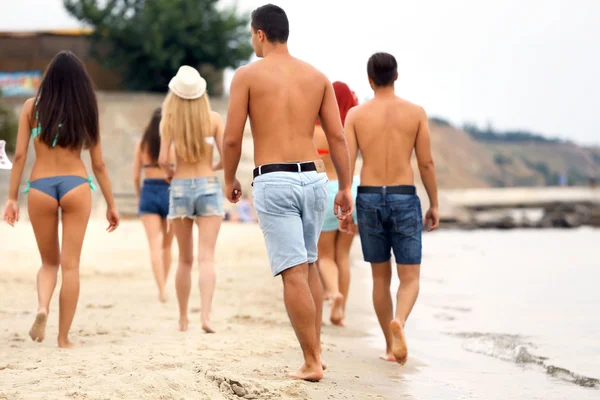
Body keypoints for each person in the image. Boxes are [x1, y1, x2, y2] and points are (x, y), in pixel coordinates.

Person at [222, 4, 353, 382]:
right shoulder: (317, 76)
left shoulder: (247, 76)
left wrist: (229, 177)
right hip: (314, 178)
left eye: (251, 35)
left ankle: (311, 362)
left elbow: (232, 137)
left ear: (260, 33)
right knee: (309, 264)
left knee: (293, 273)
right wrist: (343, 185)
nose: (252, 41)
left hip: (274, 179)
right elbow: (337, 136)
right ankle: (318, 352)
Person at [2, 50, 120, 348]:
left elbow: (18, 156)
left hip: (40, 186)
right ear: (80, 83)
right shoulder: (86, 110)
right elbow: (100, 165)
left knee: (48, 263)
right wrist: (111, 204)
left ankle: (43, 307)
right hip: (76, 186)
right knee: (71, 266)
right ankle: (63, 338)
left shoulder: (32, 107)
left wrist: (12, 198)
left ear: (49, 79)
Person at [341, 52, 440, 365]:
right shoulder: (415, 113)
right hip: (403, 195)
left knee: (380, 278)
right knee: (409, 277)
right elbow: (425, 162)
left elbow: (347, 162)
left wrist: (345, 197)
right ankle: (399, 320)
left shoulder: (356, 115)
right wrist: (434, 202)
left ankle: (388, 345)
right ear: (396, 76)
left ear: (369, 79)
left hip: (369, 196)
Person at [158, 65, 225, 334]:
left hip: (180, 187)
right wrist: (216, 169)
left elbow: (163, 159)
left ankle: (183, 319)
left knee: (184, 260)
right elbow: (226, 155)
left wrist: (170, 172)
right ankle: (206, 317)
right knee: (206, 258)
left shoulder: (169, 121)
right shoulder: (214, 119)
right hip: (208, 184)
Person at [313, 81, 359, 327]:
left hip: (324, 188)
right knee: (344, 255)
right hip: (351, 189)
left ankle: (333, 293)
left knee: (325, 255)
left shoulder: (315, 130)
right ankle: (340, 313)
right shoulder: (348, 131)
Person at [132, 108, 175, 302]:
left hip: (149, 190)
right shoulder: (173, 145)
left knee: (154, 246)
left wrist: (141, 195)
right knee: (167, 245)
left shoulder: (142, 145)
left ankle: (161, 288)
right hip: (169, 191)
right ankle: (163, 286)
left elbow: (135, 177)